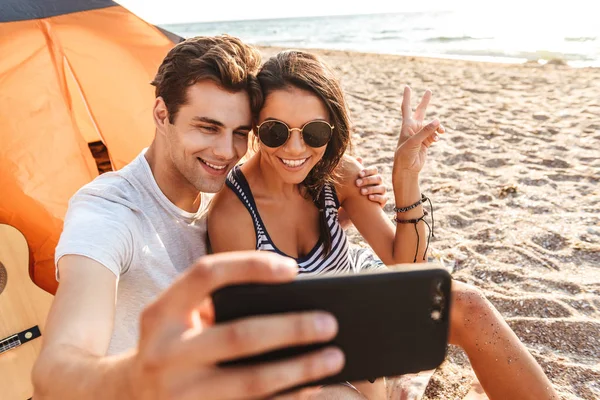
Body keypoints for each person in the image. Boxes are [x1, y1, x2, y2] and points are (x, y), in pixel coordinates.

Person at [31, 35, 388, 399]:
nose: (225, 151)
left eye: (240, 133)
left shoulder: (223, 193)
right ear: (161, 114)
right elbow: (56, 371)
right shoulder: (110, 212)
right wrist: (134, 379)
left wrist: (338, 213)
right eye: (208, 127)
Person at [208, 50, 559, 400]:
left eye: (314, 132)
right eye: (275, 131)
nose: (295, 147)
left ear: (332, 128)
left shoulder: (338, 174)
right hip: (303, 344)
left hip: (361, 296)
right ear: (256, 126)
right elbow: (255, 343)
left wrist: (405, 174)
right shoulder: (234, 214)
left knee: (469, 304)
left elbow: (407, 267)